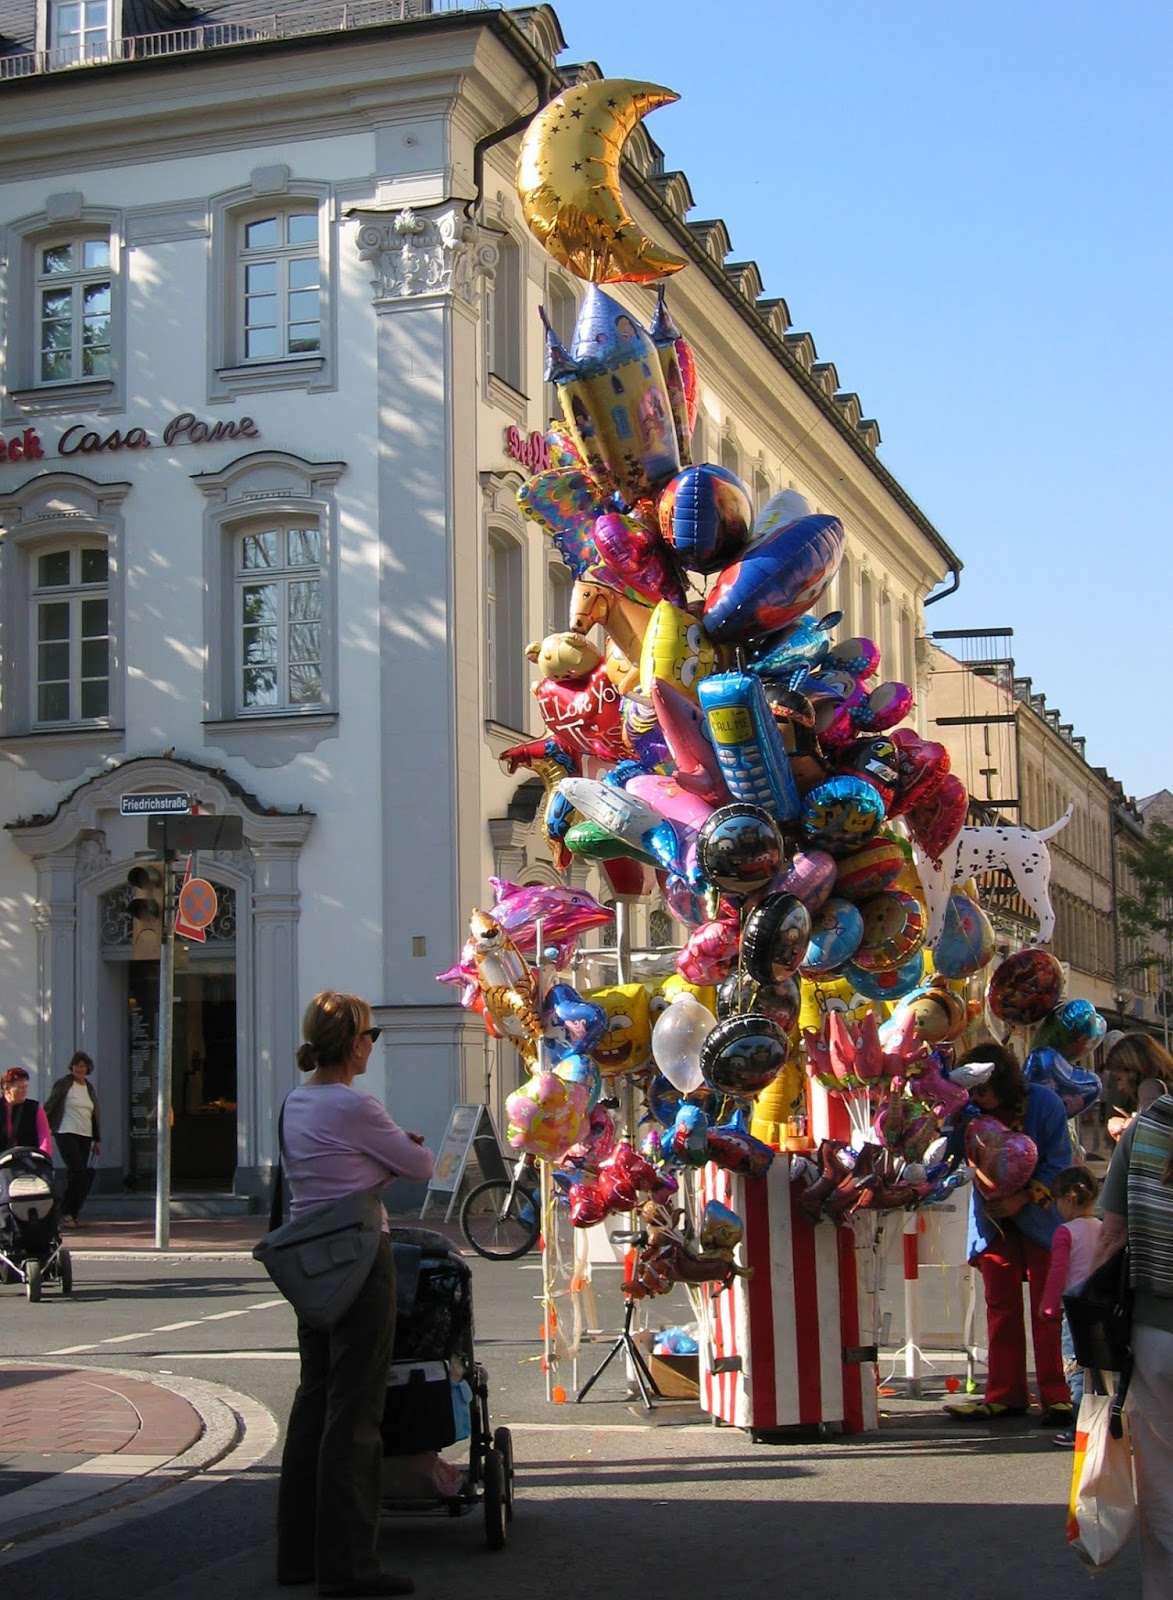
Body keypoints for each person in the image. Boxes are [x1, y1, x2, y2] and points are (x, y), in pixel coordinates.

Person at [276, 991, 434, 1598]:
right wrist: (393, 1154)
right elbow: (420, 1166)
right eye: (370, 1037)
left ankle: (299, 1556)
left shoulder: (296, 1102)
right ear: (353, 1044)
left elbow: (328, 1173)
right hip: (361, 1262)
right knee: (356, 1414)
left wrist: (378, 1163)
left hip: (310, 1262)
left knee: (312, 1403)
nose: (372, 1046)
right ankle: (350, 1567)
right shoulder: (356, 1105)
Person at [943, 1041, 1074, 1424]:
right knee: (1000, 1307)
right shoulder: (968, 1112)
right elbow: (953, 1155)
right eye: (972, 1091)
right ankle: (1005, 1392)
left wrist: (1022, 1199)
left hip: (1040, 1219)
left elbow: (1059, 1165)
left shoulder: (1044, 1103)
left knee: (1047, 1309)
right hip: (993, 1222)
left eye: (983, 1090)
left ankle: (1056, 1393)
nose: (978, 1098)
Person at [1094, 1077, 1173, 1599]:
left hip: (1154, 1333)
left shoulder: (1145, 1128)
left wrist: (1094, 1333)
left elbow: (1112, 1235)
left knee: (1161, 1479)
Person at [1040, 1164, 1102, 1447]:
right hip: (1100, 1306)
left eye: (1056, 1201)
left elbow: (1058, 1272)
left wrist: (1048, 1305)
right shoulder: (1102, 1227)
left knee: (1076, 1369)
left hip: (1074, 1309)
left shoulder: (1065, 1232)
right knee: (1100, 1369)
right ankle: (1102, 1423)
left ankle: (1079, 1427)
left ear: (1068, 1198)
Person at [44, 1051, 100, 1224]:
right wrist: (42, 1127)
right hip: (66, 1132)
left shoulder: (89, 1088)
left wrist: (97, 1140)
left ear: (87, 1068)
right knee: (77, 1172)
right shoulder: (64, 1083)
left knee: (81, 1176)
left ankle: (72, 1214)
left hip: (85, 1134)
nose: (79, 1069)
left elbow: (94, 1115)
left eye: (82, 1066)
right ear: (72, 1067)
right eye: (76, 1065)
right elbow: (51, 1105)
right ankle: (65, 1212)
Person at [1103, 1035, 1173, 1142]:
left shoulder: (1149, 1087)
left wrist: (1124, 1125)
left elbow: (1154, 1130)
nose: (1119, 1088)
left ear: (1134, 1071)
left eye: (1119, 1078)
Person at [0, 1067, 52, 1157]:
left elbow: (45, 1140)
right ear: (7, 1088)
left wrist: (44, 1160)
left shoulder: (35, 1108)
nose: (25, 1090)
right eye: (20, 1087)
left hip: (29, 1163)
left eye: (26, 1086)